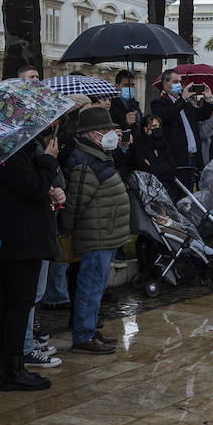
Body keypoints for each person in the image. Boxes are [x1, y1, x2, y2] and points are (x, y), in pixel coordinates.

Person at [0, 132, 62, 391]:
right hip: (21, 240)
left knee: (8, 304)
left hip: (16, 238)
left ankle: (7, 367)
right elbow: (33, 187)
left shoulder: (10, 151)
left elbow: (30, 188)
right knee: (17, 305)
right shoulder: (8, 152)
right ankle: (11, 370)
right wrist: (49, 160)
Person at [60, 108, 132, 355]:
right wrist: (66, 232)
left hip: (105, 231)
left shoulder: (98, 155)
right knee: (90, 286)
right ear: (92, 134)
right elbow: (75, 202)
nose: (112, 134)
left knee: (96, 286)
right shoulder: (84, 160)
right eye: (107, 130)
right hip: (95, 234)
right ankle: (83, 335)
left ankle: (88, 329)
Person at [149, 68, 213, 187]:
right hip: (177, 159)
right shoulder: (158, 103)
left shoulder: (185, 103)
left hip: (194, 156)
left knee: (192, 194)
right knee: (179, 194)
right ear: (165, 84)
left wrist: (208, 99)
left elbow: (201, 115)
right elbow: (166, 117)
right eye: (175, 82)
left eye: (180, 82)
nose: (179, 85)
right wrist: (182, 100)